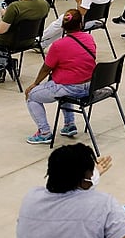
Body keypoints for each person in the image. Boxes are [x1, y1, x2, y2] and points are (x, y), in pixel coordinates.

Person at [13, 143, 125, 238]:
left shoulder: (31, 198)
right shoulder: (103, 205)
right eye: (91, 175)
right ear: (84, 179)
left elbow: (68, 200)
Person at [24, 9, 97, 144]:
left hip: (70, 87)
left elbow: (46, 68)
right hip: (90, 86)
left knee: (31, 95)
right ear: (81, 24)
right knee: (62, 86)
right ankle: (69, 124)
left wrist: (35, 83)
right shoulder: (89, 38)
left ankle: (44, 132)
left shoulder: (58, 45)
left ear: (62, 27)